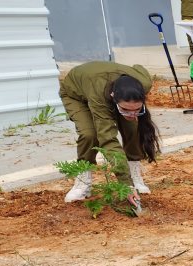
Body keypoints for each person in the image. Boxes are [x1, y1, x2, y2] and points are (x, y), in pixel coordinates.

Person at [59, 61, 160, 213]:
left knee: (132, 127)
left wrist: (129, 113)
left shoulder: (143, 83)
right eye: (126, 109)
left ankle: (135, 175)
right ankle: (82, 182)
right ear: (113, 97)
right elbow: (108, 139)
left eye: (137, 109)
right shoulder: (98, 95)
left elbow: (138, 67)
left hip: (113, 83)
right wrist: (125, 184)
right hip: (78, 95)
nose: (133, 114)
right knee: (90, 134)